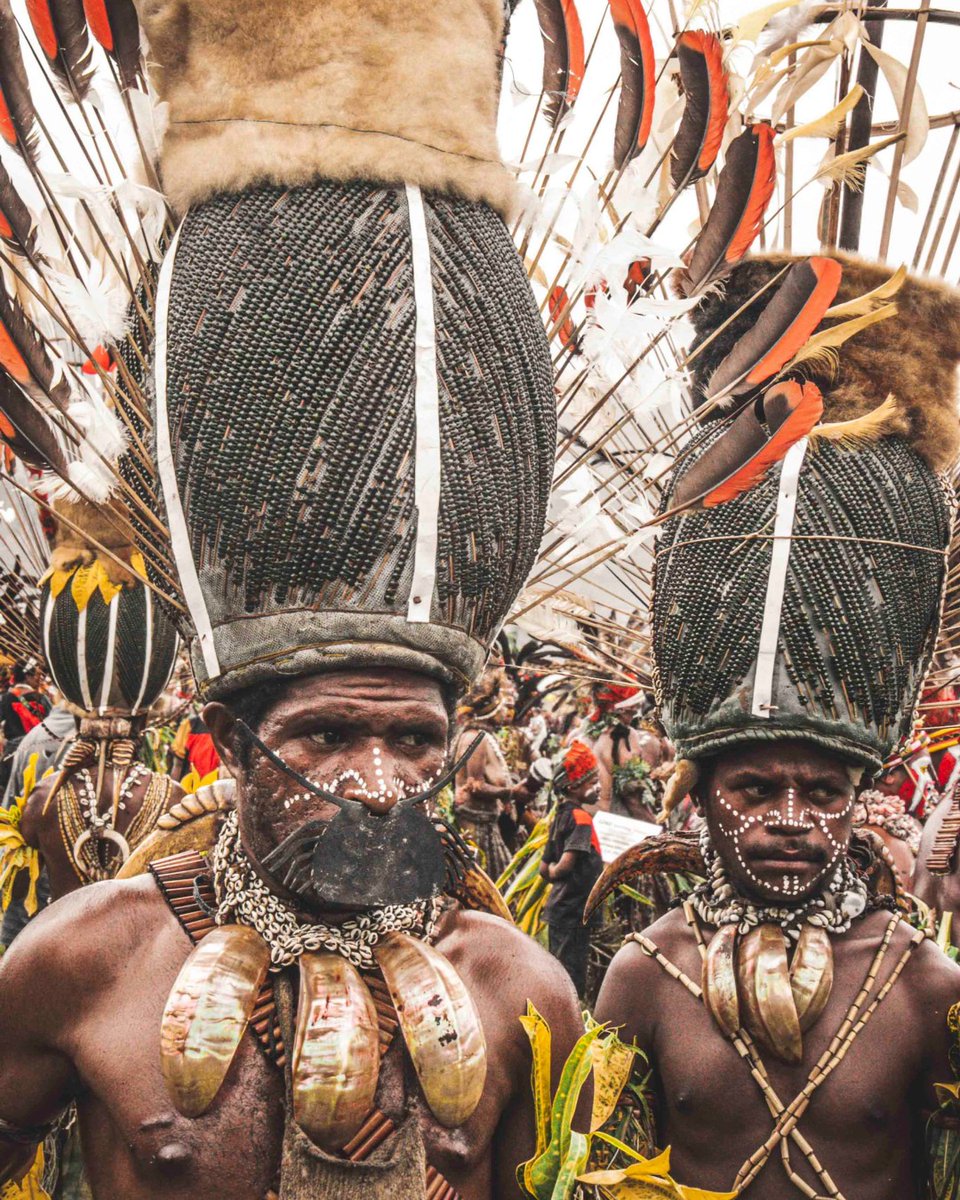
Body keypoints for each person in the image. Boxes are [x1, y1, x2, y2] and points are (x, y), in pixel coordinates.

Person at [0, 2, 586, 1196]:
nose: (378, 783)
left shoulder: (521, 992)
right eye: (328, 733)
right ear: (227, 739)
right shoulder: (85, 961)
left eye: (415, 739)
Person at [594, 250, 960, 1198]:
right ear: (699, 793)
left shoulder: (923, 985)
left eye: (825, 792)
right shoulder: (646, 975)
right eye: (756, 788)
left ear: (861, 795)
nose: (793, 818)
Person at [540, 741, 603, 998]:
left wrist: (553, 874)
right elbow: (566, 863)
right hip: (574, 909)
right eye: (592, 782)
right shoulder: (582, 819)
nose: (599, 787)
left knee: (560, 962)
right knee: (571, 969)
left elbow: (544, 867)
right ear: (574, 787)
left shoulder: (559, 815)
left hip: (560, 907)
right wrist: (560, 873)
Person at [454, 669, 517, 879]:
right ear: (491, 710)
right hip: (477, 826)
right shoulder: (476, 738)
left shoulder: (477, 735)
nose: (504, 712)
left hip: (484, 822)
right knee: (488, 882)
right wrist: (509, 792)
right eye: (501, 707)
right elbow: (475, 785)